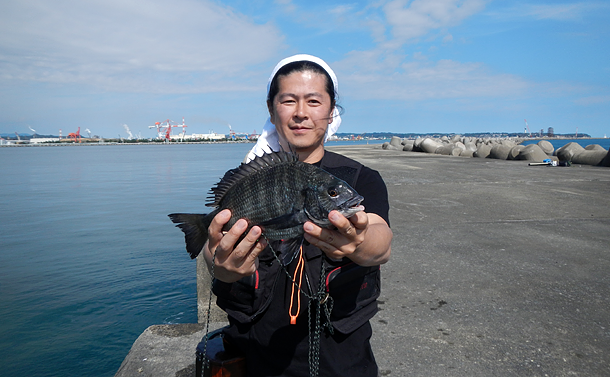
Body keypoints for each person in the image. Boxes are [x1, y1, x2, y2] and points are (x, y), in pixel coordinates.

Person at [201, 54, 392, 377]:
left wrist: (359, 242)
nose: (301, 113)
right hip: (256, 358)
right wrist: (222, 266)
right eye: (288, 100)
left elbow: (380, 240)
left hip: (342, 362)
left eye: (314, 101)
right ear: (272, 110)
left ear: (331, 111)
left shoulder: (360, 179)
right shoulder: (245, 178)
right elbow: (212, 246)